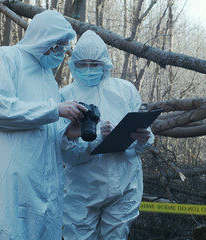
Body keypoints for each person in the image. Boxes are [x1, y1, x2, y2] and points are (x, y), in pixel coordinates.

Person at [0, 10, 87, 239]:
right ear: (42, 38)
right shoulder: (5, 58)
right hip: (8, 183)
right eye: (57, 45)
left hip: (44, 188)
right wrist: (54, 110)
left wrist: (68, 134)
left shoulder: (48, 80)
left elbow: (44, 130)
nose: (60, 52)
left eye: (64, 48)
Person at [60, 30, 154, 240]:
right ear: (74, 64)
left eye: (94, 64)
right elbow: (65, 151)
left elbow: (143, 133)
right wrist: (97, 140)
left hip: (124, 183)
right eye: (83, 64)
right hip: (82, 189)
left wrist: (144, 139)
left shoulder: (125, 90)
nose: (89, 69)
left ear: (105, 64)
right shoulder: (66, 95)